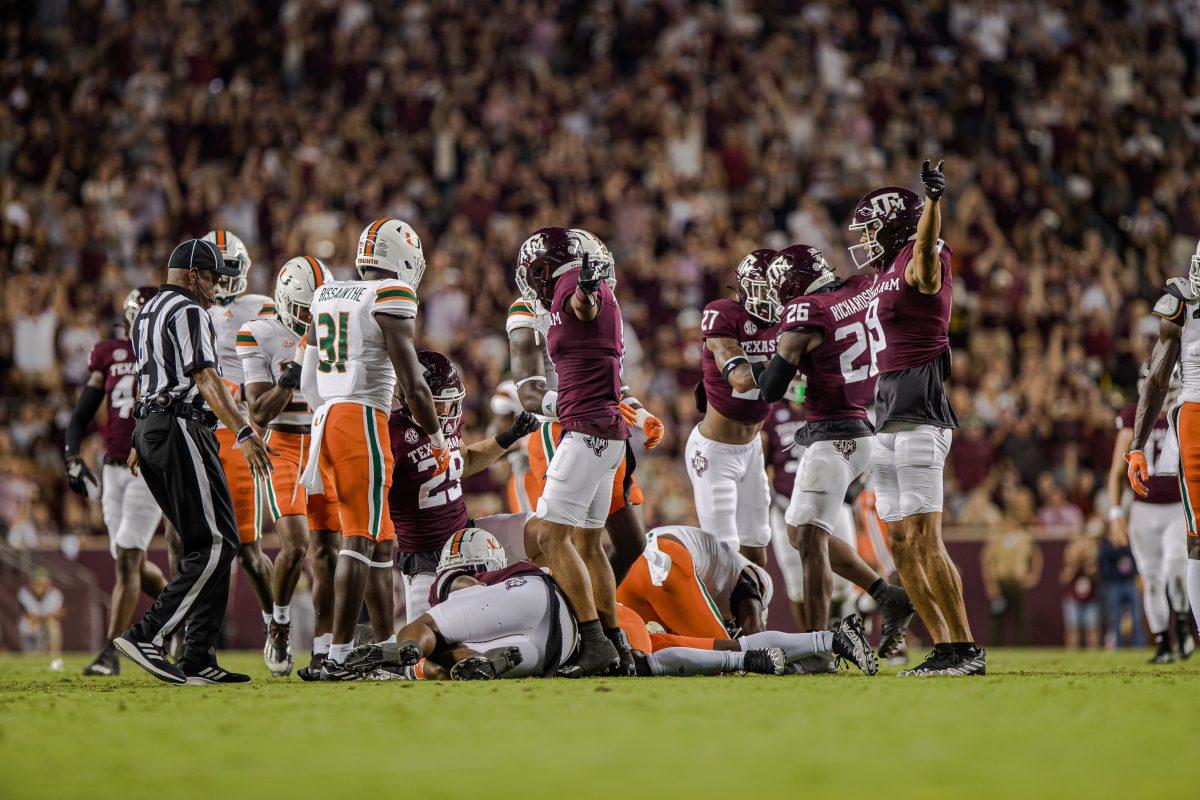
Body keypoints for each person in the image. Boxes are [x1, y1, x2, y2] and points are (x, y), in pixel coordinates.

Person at [114, 238, 274, 685]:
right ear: (191, 276)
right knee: (219, 543)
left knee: (217, 540)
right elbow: (203, 377)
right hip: (182, 426)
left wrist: (141, 437)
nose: (217, 289)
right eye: (211, 278)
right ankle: (149, 634)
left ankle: (197, 656)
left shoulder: (145, 311)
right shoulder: (190, 311)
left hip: (154, 428)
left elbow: (149, 379)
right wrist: (243, 430)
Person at [848, 160, 985, 675]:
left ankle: (965, 647)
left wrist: (933, 203)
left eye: (869, 230)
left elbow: (926, 258)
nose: (862, 240)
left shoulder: (922, 255)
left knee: (927, 538)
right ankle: (943, 647)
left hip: (922, 413)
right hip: (885, 417)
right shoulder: (882, 273)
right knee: (901, 543)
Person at [298, 217, 445, 679]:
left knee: (381, 542)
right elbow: (414, 382)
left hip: (326, 419)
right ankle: (338, 656)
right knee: (360, 539)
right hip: (361, 418)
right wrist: (436, 435)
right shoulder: (390, 295)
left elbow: (307, 379)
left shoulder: (327, 293)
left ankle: (383, 651)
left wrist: (331, 414)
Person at [757, 244, 914, 657]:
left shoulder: (806, 311)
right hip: (861, 423)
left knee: (808, 541)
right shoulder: (860, 288)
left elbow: (771, 388)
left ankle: (816, 647)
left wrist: (757, 364)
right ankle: (885, 594)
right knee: (802, 533)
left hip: (833, 432)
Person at [517, 227, 642, 676]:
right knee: (589, 543)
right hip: (606, 435)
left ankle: (592, 641)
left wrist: (584, 291)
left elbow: (582, 306)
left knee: (552, 537)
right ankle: (616, 643)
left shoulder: (574, 287)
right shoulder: (586, 287)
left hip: (586, 432)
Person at [506, 228, 661, 583]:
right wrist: (590, 405)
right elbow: (529, 395)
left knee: (629, 544)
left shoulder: (600, 306)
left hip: (603, 425)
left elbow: (613, 383)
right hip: (559, 429)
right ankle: (571, 624)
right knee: (566, 542)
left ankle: (599, 616)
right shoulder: (528, 312)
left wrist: (642, 415)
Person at [239, 256, 341, 676]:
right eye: (305, 312)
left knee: (329, 552)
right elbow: (259, 412)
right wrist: (293, 374)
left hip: (324, 441)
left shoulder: (335, 328)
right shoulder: (258, 334)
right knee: (296, 544)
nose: (311, 321)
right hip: (283, 444)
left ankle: (322, 648)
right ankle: (278, 623)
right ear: (284, 302)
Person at [388, 349, 538, 623]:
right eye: (440, 403)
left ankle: (569, 620)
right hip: (426, 560)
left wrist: (511, 435)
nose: (451, 411)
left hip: (467, 537)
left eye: (452, 401)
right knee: (426, 652)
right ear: (412, 399)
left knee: (545, 531)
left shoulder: (446, 424)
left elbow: (464, 459)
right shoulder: (391, 432)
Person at [65, 286, 169, 676]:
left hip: (148, 468)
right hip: (111, 469)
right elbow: (81, 415)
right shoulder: (108, 353)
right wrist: (72, 455)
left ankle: (112, 652)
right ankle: (180, 618)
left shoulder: (168, 355)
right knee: (131, 562)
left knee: (127, 555)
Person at [201, 229, 277, 642]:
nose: (223, 278)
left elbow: (283, 357)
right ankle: (192, 636)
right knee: (188, 542)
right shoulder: (187, 308)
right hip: (196, 430)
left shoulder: (260, 306)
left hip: (238, 432)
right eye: (217, 270)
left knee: (248, 548)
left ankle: (274, 624)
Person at [1126, 250, 1200, 657]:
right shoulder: (1183, 304)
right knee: (1183, 554)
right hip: (1195, 416)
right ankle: (1173, 638)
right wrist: (1136, 448)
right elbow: (1155, 381)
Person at [685, 248, 778, 567]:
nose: (775, 296)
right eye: (768, 287)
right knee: (723, 555)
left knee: (757, 547)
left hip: (752, 450)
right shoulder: (723, 314)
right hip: (715, 452)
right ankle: (720, 619)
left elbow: (798, 389)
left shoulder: (786, 325)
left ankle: (754, 619)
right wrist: (786, 364)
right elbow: (739, 377)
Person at [1108, 365, 1192, 662]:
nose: (1164, 396)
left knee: (1174, 569)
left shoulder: (1185, 412)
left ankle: (1182, 619)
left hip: (1175, 508)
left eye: (1169, 390)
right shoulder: (1134, 415)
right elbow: (1117, 471)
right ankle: (1162, 644)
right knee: (1152, 579)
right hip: (1143, 510)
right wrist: (1116, 513)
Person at [980, 522, 1043, 647]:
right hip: (1001, 583)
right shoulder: (996, 538)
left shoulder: (1024, 538)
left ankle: (1021, 645)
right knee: (998, 616)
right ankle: (996, 645)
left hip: (1018, 583)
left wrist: (1034, 575)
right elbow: (986, 562)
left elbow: (1037, 556)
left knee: (1020, 616)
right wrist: (991, 585)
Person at [1060, 528, 1102, 649]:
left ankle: (1093, 654)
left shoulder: (1094, 559)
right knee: (1072, 628)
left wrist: (1090, 568)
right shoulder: (1069, 559)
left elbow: (1098, 578)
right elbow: (1064, 579)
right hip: (1073, 597)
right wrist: (1074, 566)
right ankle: (1072, 653)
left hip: (1091, 598)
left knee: (1092, 628)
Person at [18, 569, 64, 672]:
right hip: (31, 626)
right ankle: (31, 653)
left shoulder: (55, 594)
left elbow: (58, 613)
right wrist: (44, 617)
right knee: (28, 625)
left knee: (53, 625)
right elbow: (30, 616)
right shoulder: (24, 592)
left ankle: (54, 655)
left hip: (45, 627)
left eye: (43, 583)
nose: (40, 587)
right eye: (37, 583)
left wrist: (45, 618)